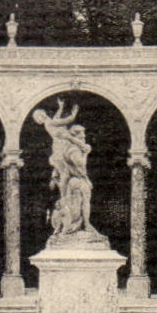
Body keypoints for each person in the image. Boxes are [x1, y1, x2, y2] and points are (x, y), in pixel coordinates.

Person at [33, 99, 99, 241]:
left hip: (62, 149)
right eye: (40, 116)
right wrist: (73, 114)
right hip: (60, 149)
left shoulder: (51, 122)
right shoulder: (50, 124)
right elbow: (66, 121)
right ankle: (65, 200)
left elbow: (58, 118)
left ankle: (66, 203)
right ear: (41, 118)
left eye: (41, 114)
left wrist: (61, 107)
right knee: (65, 174)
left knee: (66, 175)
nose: (42, 115)